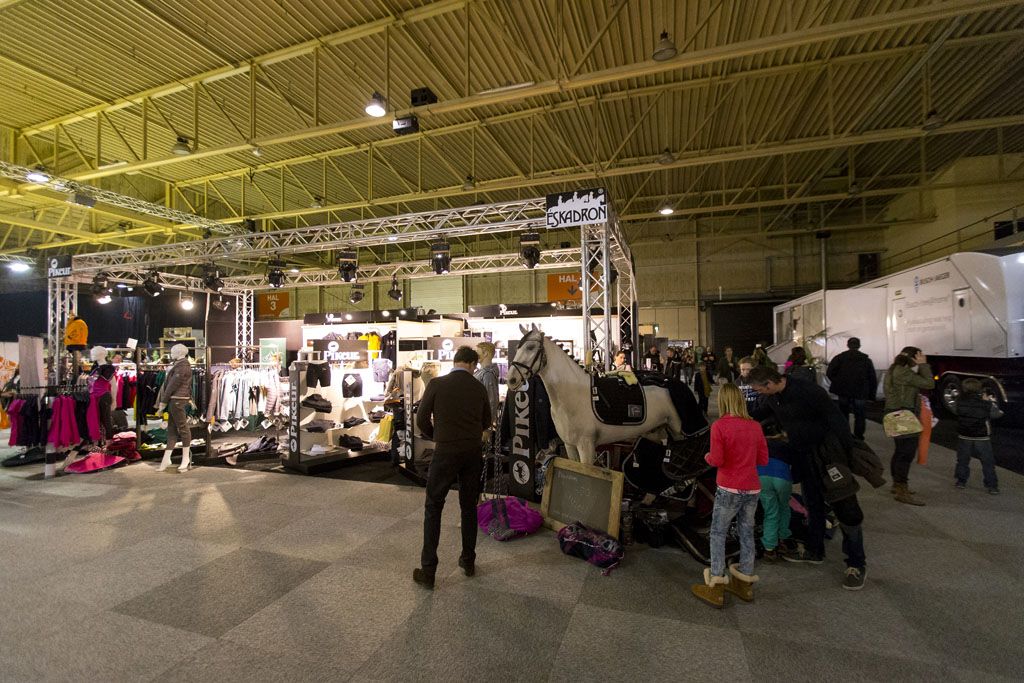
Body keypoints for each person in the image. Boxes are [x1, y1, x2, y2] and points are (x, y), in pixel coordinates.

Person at [747, 365, 868, 591]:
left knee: (847, 509)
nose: (758, 393)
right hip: (805, 458)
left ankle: (856, 563)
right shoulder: (774, 398)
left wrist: (845, 457)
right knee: (813, 505)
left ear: (769, 384)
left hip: (828, 457)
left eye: (759, 389)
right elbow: (759, 414)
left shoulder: (808, 391)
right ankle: (815, 550)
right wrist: (733, 417)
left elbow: (838, 421)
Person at [414, 346, 491, 589]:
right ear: (472, 364)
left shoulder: (436, 384)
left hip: (445, 451)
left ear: (456, 361)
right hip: (472, 452)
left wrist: (437, 435)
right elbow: (487, 421)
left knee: (433, 506)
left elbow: (421, 419)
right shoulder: (478, 387)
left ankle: (428, 571)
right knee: (468, 507)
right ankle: (468, 561)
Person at [691, 383, 768, 608]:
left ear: (723, 401)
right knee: (746, 532)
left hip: (728, 488)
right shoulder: (755, 426)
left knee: (718, 533)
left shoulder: (719, 426)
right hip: (752, 487)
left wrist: (707, 457)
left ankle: (716, 584)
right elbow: (763, 460)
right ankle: (744, 583)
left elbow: (717, 460)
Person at [883, 346, 934, 506]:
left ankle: (897, 485)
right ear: (914, 358)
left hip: (894, 414)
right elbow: (929, 383)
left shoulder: (894, 369)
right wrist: (924, 365)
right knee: (906, 454)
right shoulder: (904, 373)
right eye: (920, 356)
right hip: (903, 415)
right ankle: (901, 490)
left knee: (900, 452)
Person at [951, 378, 1002, 494]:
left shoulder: (959, 402)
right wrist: (989, 401)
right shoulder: (986, 404)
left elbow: (954, 411)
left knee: (962, 460)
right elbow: (997, 414)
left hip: (964, 435)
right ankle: (992, 486)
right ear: (979, 389)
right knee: (987, 462)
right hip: (982, 436)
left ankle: (961, 481)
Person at [826, 337, 877, 441]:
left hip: (843, 390)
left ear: (848, 345)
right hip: (860, 391)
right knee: (860, 415)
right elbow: (872, 378)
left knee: (843, 413)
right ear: (859, 346)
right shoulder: (866, 360)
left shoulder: (840, 358)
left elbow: (830, 372)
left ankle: (845, 434)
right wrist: (872, 395)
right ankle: (859, 436)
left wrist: (838, 382)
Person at [155, 344, 194, 473]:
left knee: (182, 428)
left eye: (173, 351)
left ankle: (185, 458)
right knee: (172, 429)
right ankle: (167, 458)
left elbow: (171, 386)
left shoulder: (182, 366)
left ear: (180, 352)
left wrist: (162, 403)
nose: (171, 354)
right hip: (175, 399)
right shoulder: (179, 365)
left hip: (178, 399)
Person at [474, 341, 500, 434]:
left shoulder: (487, 374)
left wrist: (487, 427)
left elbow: (492, 400)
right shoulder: (481, 372)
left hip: (481, 422)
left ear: (485, 353)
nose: (476, 355)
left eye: (478, 352)